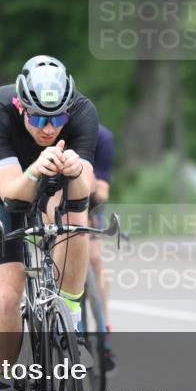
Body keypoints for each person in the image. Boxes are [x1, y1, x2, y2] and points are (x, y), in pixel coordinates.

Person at [0, 55, 98, 391]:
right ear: (20, 107)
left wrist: (76, 171)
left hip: (54, 179)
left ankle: (70, 322)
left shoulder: (82, 112)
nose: (48, 128)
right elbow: (10, 193)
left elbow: (87, 189)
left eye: (57, 119)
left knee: (76, 216)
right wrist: (37, 169)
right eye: (39, 119)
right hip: (0, 188)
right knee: (8, 293)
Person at [88, 124, 116, 373]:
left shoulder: (103, 138)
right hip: (52, 197)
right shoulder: (52, 132)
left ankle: (104, 328)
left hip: (90, 201)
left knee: (95, 259)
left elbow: (103, 192)